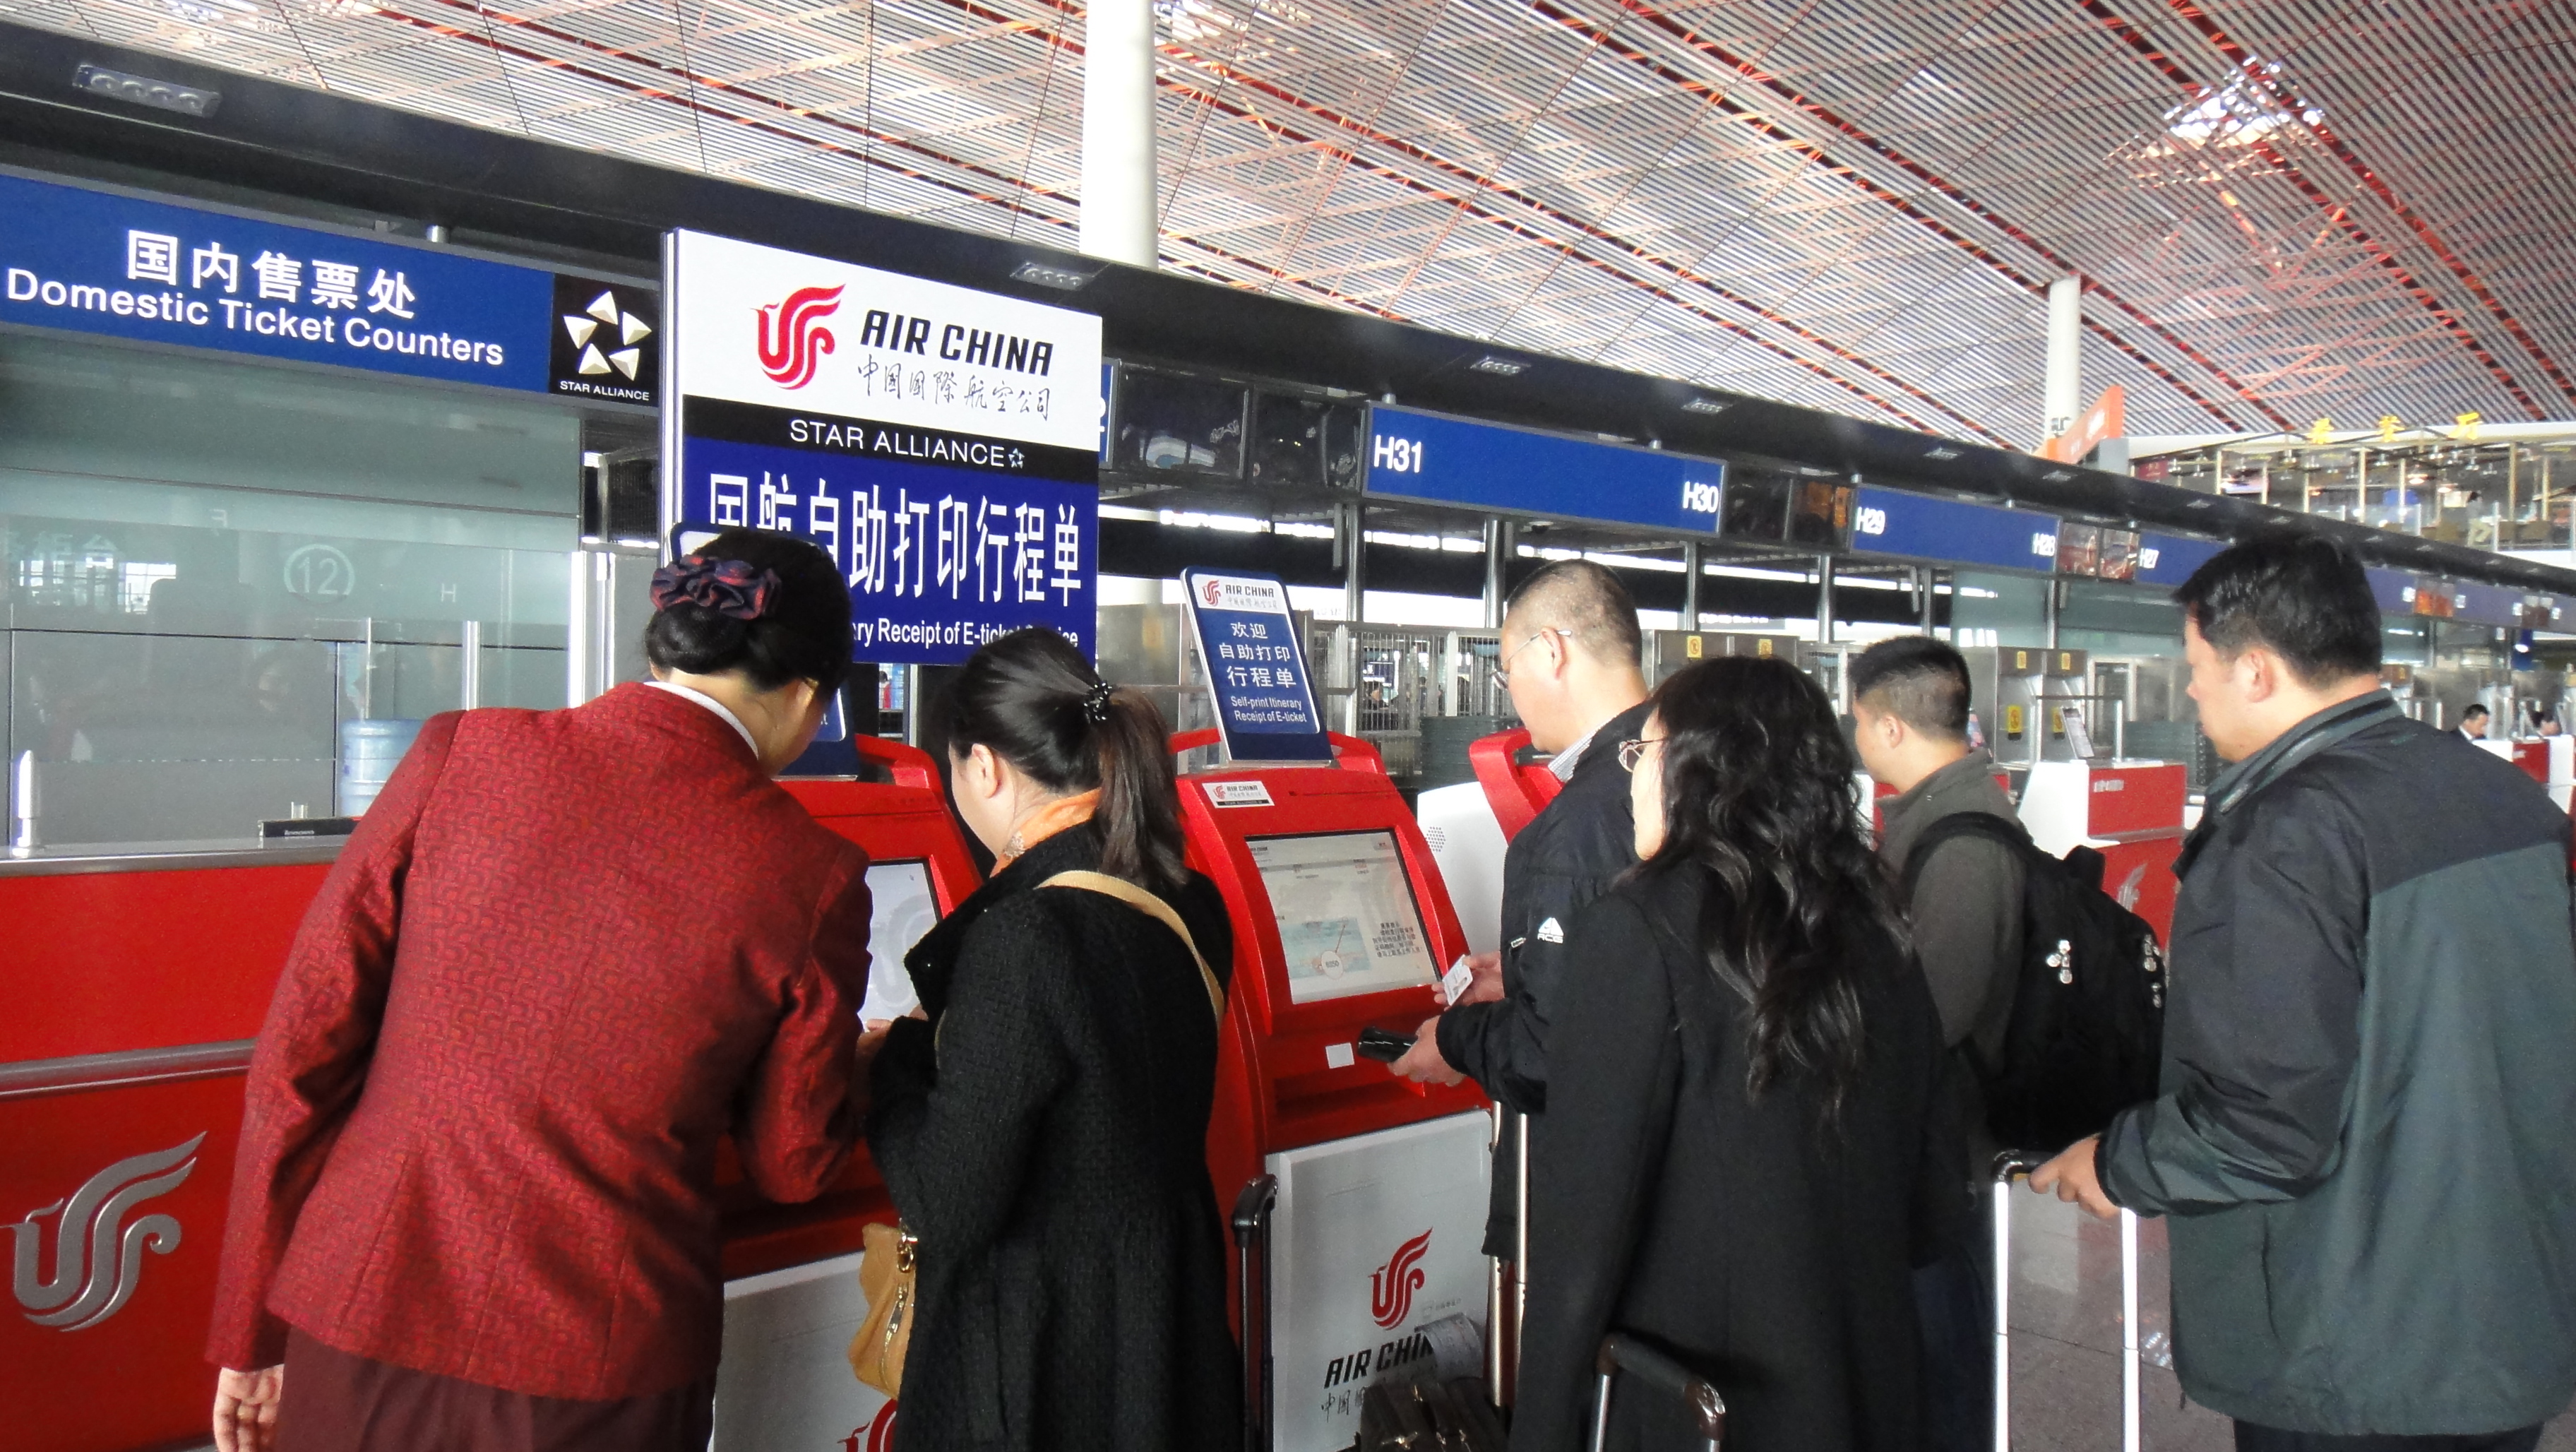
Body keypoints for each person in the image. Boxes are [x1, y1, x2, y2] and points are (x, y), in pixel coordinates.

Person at [207, 531, 876, 1452]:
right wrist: (872, 1061)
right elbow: (792, 1164)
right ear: (807, 693)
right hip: (600, 1365)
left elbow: (301, 1053)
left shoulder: (461, 751)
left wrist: (252, 1330)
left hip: (361, 1312)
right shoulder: (812, 870)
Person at [2031, 532, 2576, 1452]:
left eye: (2197, 667)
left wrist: (2117, 1165)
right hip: (2510, 1313)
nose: (2192, 692)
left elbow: (2265, 1125)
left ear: (2255, 670)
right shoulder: (2509, 800)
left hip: (2352, 1352)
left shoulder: (2284, 833)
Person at [1515, 656, 1960, 1452]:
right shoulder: (1874, 922)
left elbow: (1585, 1221)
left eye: (1644, 753)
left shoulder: (1637, 929)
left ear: (1701, 771)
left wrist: (1543, 1424)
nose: (1632, 779)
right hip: (1869, 1382)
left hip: (1702, 1400)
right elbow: (1933, 1194)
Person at [869, 627, 1240, 1452]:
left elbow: (948, 1203)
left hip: (1046, 1363)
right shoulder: (1189, 898)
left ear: (985, 767)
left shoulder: (1028, 935)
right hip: (1168, 1334)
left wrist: (890, 1068)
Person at [1388, 559, 1652, 1259]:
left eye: (1507, 670)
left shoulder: (1577, 824)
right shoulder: (1692, 768)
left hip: (1595, 1202)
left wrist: (1457, 1040)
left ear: (1552, 650)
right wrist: (1527, 975)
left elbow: (1550, 1054)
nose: (1513, 695)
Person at [1849, 635, 2020, 1452]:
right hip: (1929, 1142)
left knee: (1945, 1353)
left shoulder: (1963, 842)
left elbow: (1935, 1014)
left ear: (1888, 727)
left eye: (1857, 720)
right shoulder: (1932, 817)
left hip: (1948, 1151)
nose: (1855, 737)